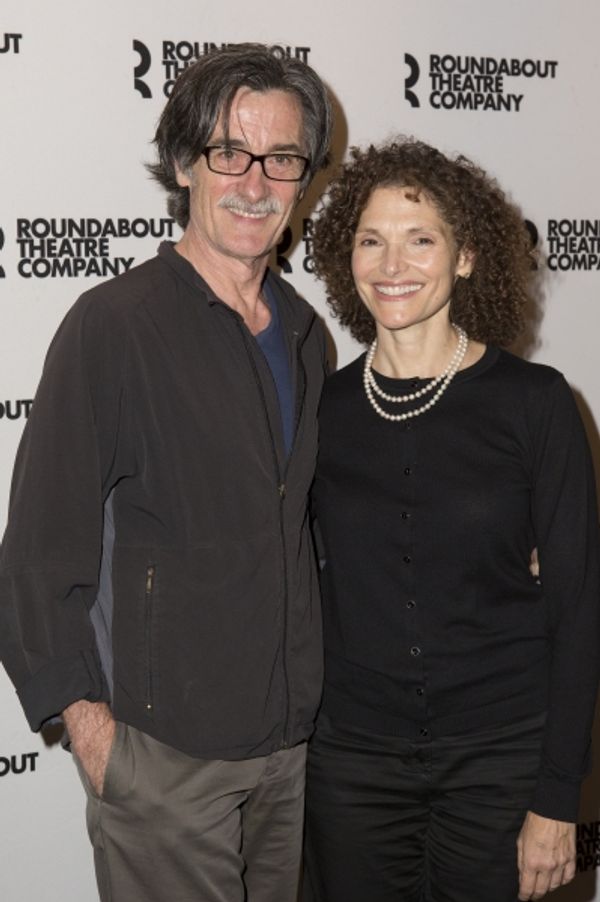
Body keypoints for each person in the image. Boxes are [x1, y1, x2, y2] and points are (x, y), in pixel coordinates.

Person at [0, 43, 332, 902]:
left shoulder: (306, 334)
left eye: (283, 158)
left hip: (288, 757)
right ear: (186, 163)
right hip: (164, 763)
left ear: (304, 178)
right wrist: (97, 738)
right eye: (231, 152)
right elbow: (38, 556)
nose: (255, 181)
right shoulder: (115, 325)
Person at [303, 137, 600, 902]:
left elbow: (578, 610)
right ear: (346, 257)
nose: (392, 263)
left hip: (500, 761)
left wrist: (557, 797)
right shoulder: (321, 411)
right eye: (371, 239)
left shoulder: (535, 404)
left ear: (465, 258)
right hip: (354, 766)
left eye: (420, 238)